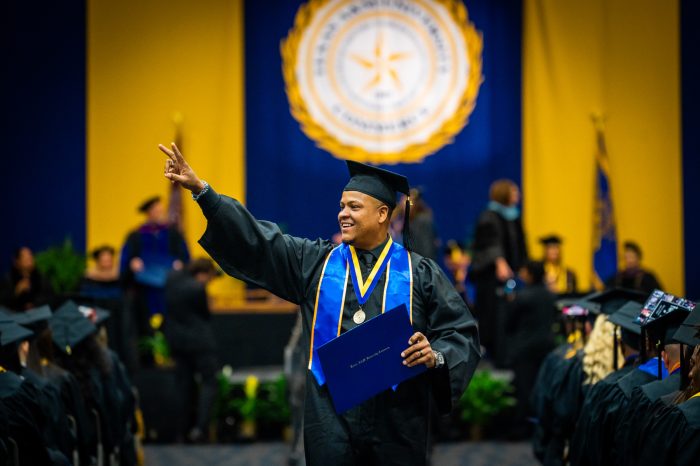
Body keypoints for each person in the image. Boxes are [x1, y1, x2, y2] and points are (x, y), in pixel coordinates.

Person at [158, 142, 480, 466]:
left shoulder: (419, 273)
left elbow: (460, 331)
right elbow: (259, 239)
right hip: (330, 420)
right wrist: (203, 192)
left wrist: (435, 355)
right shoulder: (316, 262)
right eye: (342, 206)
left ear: (383, 213)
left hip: (396, 421)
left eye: (354, 206)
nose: (343, 213)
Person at [120, 196, 190, 364]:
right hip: (145, 294)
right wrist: (132, 263)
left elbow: (186, 257)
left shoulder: (173, 234)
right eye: (156, 210)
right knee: (145, 327)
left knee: (171, 325)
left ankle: (173, 359)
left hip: (169, 292)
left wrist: (181, 265)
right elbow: (125, 261)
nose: (160, 213)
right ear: (148, 213)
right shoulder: (136, 235)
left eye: (161, 209)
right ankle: (147, 362)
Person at [163, 258, 221, 443]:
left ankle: (181, 432)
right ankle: (200, 429)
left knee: (183, 386)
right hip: (200, 342)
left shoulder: (171, 279)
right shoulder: (197, 289)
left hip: (177, 342)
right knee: (209, 382)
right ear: (204, 274)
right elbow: (205, 314)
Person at [471, 179, 527, 365]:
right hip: (491, 278)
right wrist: (500, 262)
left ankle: (507, 353)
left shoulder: (513, 216)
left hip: (510, 276)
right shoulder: (489, 216)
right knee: (493, 315)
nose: (517, 195)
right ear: (504, 194)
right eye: (514, 192)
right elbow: (490, 243)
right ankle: (495, 355)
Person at [504, 260, 556, 439]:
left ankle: (522, 428)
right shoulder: (550, 295)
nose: (521, 274)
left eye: (524, 271)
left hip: (525, 349)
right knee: (544, 386)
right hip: (547, 347)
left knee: (524, 388)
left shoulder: (522, 296)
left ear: (531, 274)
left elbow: (509, 324)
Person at [0, 247, 51, 311]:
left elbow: (49, 296)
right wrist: (16, 291)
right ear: (17, 262)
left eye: (30, 256)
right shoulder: (8, 279)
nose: (30, 260)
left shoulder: (41, 277)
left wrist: (34, 304)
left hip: (38, 313)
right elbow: (3, 302)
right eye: (26, 258)